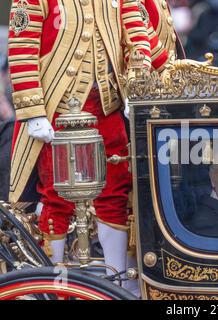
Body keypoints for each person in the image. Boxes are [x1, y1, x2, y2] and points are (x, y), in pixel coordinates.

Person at [7, 0, 169, 279]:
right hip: (57, 109)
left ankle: (116, 276)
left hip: (107, 106)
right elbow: (22, 48)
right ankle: (53, 277)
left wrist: (137, 84)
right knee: (56, 195)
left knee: (116, 191)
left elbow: (137, 36)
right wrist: (33, 111)